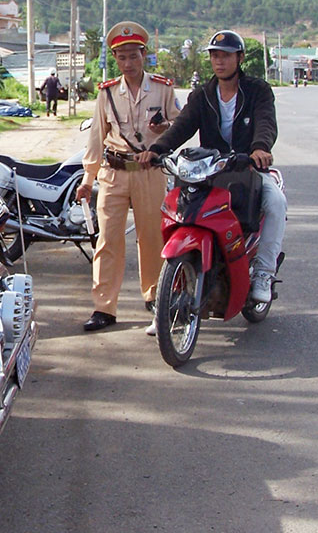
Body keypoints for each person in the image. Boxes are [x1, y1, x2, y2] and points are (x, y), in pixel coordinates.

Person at [137, 29, 287, 310]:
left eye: (226, 56)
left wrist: (259, 148)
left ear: (239, 58)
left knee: (276, 202)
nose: (220, 61)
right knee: (177, 209)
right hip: (210, 171)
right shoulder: (202, 95)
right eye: (215, 56)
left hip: (247, 168)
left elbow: (266, 121)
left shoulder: (258, 90)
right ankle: (169, 298)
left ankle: (264, 274)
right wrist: (157, 150)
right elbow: (182, 126)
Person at [76, 21, 182, 334]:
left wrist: (166, 133)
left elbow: (180, 125)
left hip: (149, 173)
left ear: (144, 55)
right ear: (116, 59)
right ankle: (104, 307)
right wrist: (87, 178)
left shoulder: (162, 88)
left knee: (151, 238)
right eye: (121, 57)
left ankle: (154, 299)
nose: (128, 63)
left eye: (133, 56)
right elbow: (97, 136)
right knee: (108, 239)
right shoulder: (107, 93)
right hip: (114, 173)